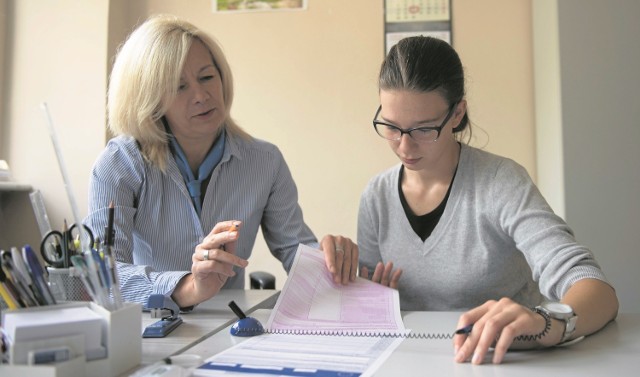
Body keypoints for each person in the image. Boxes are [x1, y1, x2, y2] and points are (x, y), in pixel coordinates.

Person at [357, 36, 618, 365]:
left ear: (457, 113)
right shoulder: (376, 196)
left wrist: (548, 324)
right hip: (406, 363)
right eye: (392, 127)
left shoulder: (500, 183)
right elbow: (367, 308)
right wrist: (369, 296)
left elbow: (598, 293)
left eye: (424, 129)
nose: (405, 147)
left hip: (500, 363)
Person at [85, 14, 357, 311]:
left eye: (206, 77)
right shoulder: (119, 164)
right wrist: (188, 287)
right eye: (179, 87)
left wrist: (333, 263)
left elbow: (294, 249)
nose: (202, 96)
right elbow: (102, 276)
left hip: (230, 324)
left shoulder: (265, 161)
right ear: (149, 99)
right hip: (147, 326)